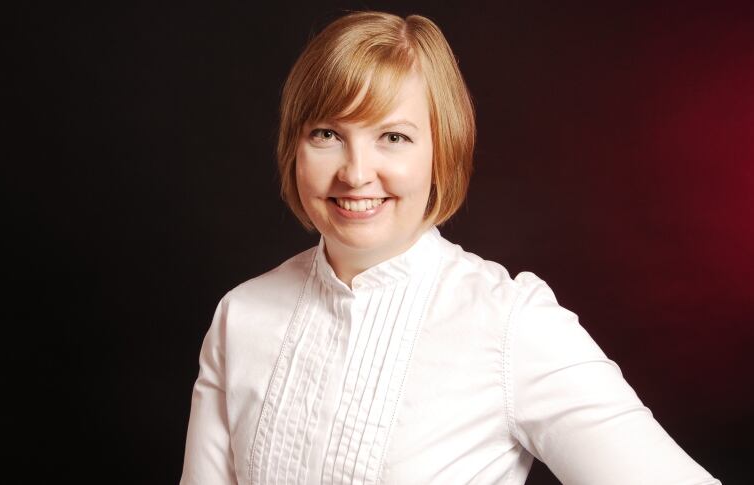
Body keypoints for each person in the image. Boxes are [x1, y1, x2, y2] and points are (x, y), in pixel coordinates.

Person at [180, 11, 721, 485]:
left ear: (442, 152)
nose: (356, 172)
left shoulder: (510, 323)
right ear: (294, 147)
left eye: (393, 136)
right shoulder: (241, 316)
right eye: (327, 133)